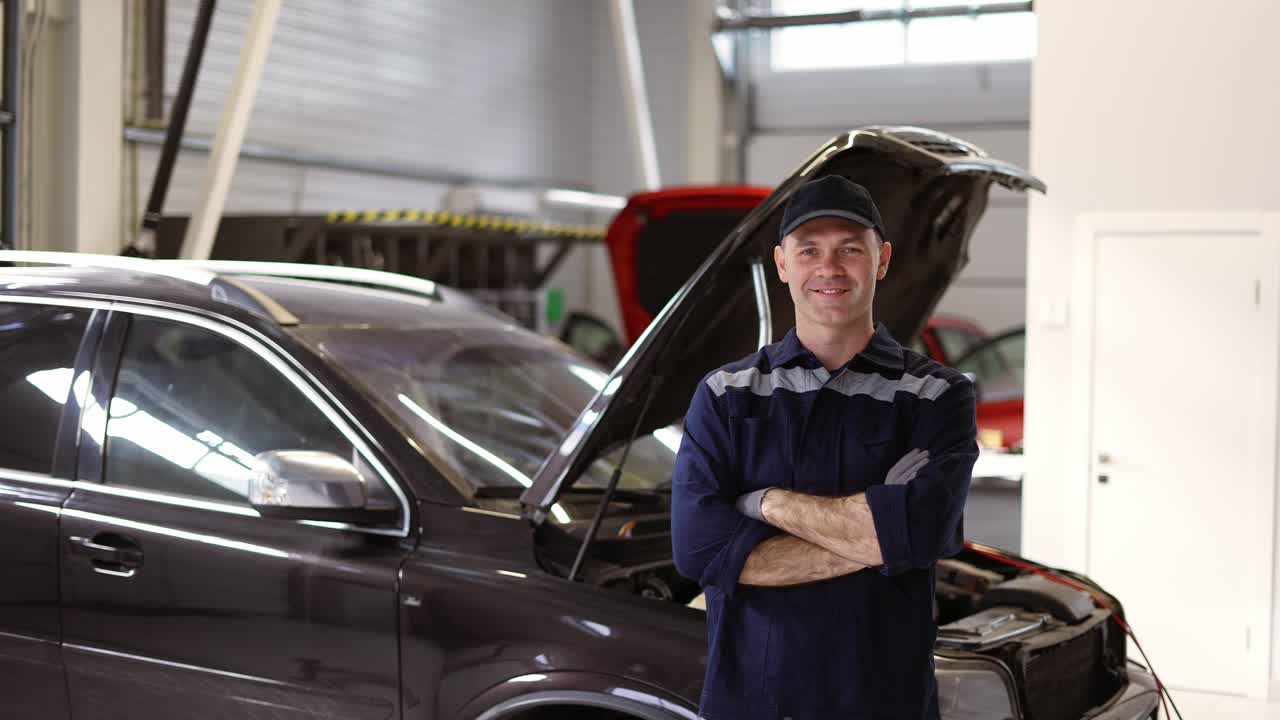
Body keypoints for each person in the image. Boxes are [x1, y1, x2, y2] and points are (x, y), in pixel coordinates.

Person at [671, 175, 979, 720]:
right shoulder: (725, 394)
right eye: (809, 250)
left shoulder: (936, 395)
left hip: (886, 703)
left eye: (849, 250)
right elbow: (699, 551)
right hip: (751, 704)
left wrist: (766, 503)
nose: (829, 268)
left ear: (881, 260)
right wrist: (881, 536)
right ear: (782, 264)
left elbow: (924, 530)